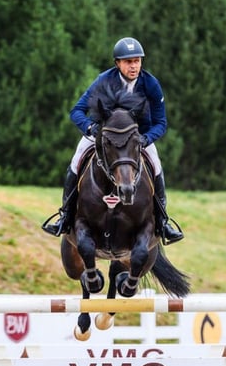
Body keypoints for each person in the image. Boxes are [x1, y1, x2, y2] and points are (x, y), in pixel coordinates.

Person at [42, 37, 184, 244]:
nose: (134, 66)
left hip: (137, 139)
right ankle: (65, 216)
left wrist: (145, 139)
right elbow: (77, 111)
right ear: (117, 63)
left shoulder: (150, 84)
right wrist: (91, 128)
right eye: (128, 62)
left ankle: (163, 222)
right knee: (76, 161)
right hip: (104, 136)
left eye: (137, 61)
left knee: (156, 167)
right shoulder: (104, 80)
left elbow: (161, 123)